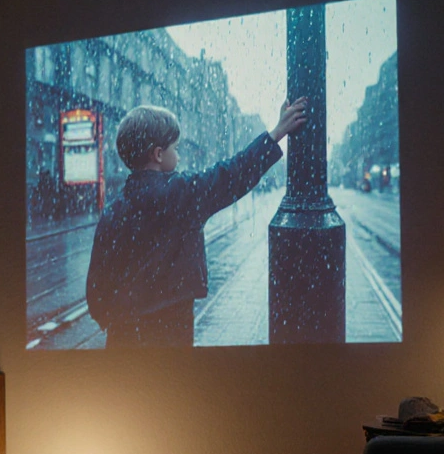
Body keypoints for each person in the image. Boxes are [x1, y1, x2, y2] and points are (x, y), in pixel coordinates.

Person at [86, 97, 308, 347]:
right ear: (158, 154)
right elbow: (231, 175)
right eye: (175, 148)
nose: (178, 156)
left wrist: (113, 320)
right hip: (170, 330)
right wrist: (277, 133)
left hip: (122, 337)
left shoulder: (113, 210)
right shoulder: (180, 194)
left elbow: (97, 286)